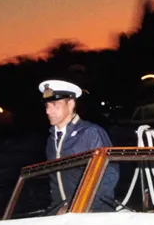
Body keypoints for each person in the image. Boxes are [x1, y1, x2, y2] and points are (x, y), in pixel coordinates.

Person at [39, 79, 118, 212]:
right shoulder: (51, 140)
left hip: (92, 212)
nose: (48, 111)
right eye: (47, 105)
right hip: (61, 213)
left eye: (54, 105)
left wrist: (82, 206)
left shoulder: (90, 133)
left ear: (70, 104)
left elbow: (108, 175)